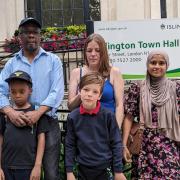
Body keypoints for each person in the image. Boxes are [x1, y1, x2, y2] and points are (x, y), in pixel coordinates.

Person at [0, 17, 64, 180]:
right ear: (19, 37)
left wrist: (38, 113)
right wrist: (10, 112)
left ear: (40, 36)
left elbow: (56, 91)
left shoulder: (53, 61)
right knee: (18, 171)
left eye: (35, 32)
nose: (31, 35)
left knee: (50, 172)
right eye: (26, 32)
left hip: (47, 122)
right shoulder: (11, 64)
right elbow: (0, 91)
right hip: (16, 123)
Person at [123, 50, 180, 179]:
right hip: (145, 143)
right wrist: (124, 143)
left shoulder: (175, 88)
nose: (157, 66)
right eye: (153, 62)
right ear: (147, 64)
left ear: (167, 66)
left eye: (161, 63)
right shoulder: (138, 88)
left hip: (169, 141)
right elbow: (129, 116)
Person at [65, 73, 126, 180]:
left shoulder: (108, 116)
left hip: (105, 169)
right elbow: (70, 145)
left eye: (95, 92)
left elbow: (116, 142)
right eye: (86, 90)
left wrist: (118, 171)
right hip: (82, 169)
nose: (89, 94)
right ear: (79, 91)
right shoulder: (73, 117)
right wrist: (69, 171)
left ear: (100, 96)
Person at [0, 70, 50, 180]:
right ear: (9, 91)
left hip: (28, 168)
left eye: (22, 91)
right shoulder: (5, 114)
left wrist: (37, 166)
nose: (17, 95)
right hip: (6, 167)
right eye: (13, 92)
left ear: (30, 91)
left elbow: (41, 139)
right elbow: (1, 139)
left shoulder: (37, 114)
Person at [68, 33, 124, 128]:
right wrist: (82, 93)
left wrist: (116, 131)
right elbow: (71, 106)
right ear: (85, 53)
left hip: (108, 127)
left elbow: (119, 105)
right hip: (83, 128)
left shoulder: (114, 72)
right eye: (89, 51)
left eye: (97, 50)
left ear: (103, 52)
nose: (93, 54)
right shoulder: (77, 73)